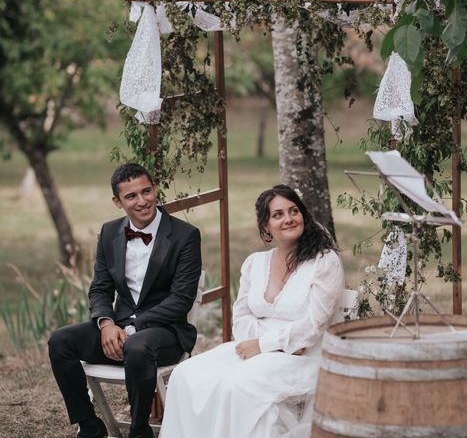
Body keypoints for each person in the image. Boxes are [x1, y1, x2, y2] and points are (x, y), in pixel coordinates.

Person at [159, 184, 344, 438]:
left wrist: (267, 344)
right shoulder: (255, 263)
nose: (289, 218)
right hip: (254, 349)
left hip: (304, 356)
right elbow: (242, 316)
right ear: (266, 226)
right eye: (278, 215)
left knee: (237, 387)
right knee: (185, 374)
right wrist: (258, 343)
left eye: (293, 211)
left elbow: (314, 325)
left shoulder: (324, 261)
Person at [48, 163, 202, 438]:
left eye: (147, 191)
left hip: (166, 332)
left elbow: (181, 300)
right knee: (60, 342)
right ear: (117, 202)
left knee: (138, 345)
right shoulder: (109, 233)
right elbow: (100, 289)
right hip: (117, 329)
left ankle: (139, 430)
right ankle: (90, 425)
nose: (142, 201)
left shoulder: (184, 236)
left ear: (155, 189)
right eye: (131, 196)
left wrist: (131, 329)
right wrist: (106, 323)